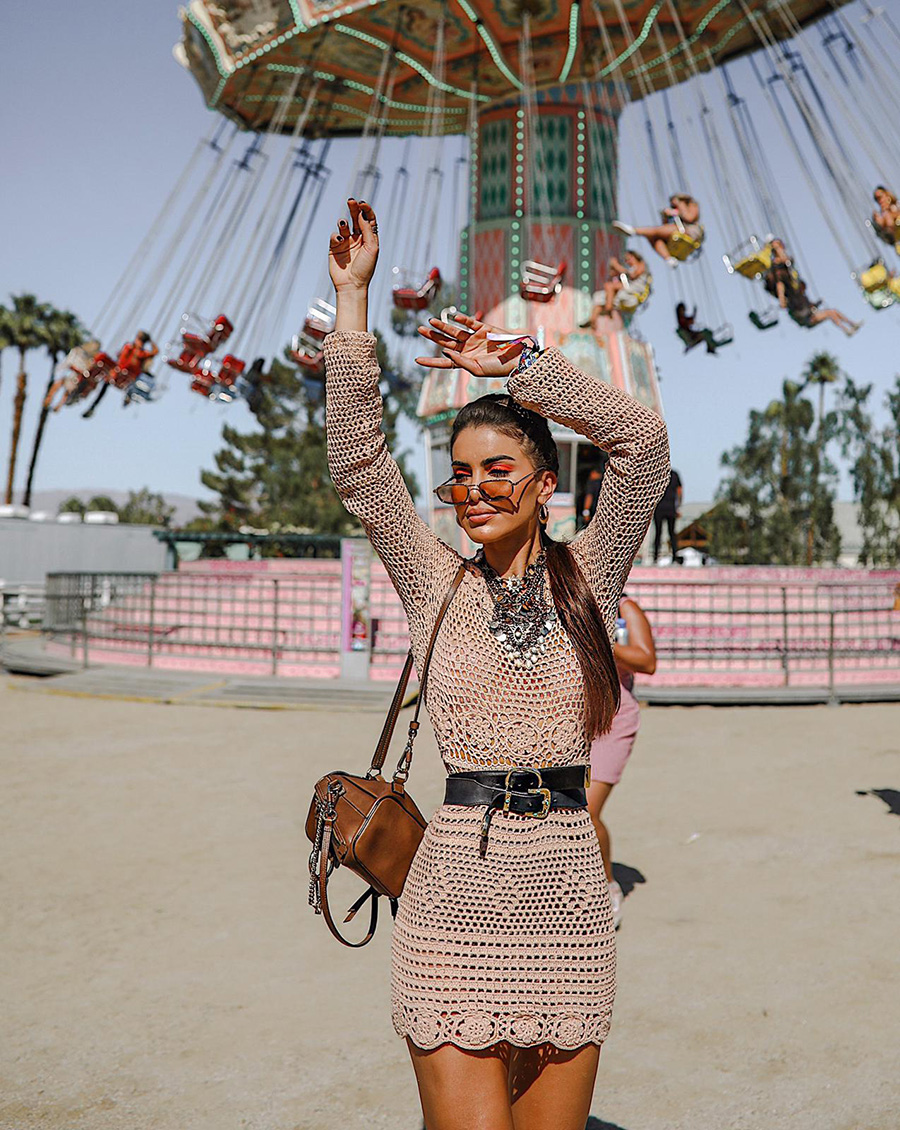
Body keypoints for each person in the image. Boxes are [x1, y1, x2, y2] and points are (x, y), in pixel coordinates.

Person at [324, 198, 669, 1130]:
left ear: (546, 483)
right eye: (459, 474)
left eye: (497, 469)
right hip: (454, 894)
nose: (473, 491)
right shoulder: (433, 579)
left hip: (564, 890)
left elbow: (642, 449)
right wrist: (353, 302)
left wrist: (522, 367)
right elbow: (360, 464)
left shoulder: (591, 574)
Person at [587, 593, 656, 929]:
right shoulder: (567, 596)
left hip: (614, 718)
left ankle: (608, 885)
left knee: (587, 811)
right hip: (568, 714)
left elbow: (646, 660)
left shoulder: (625, 608)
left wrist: (597, 641)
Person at [764, 241, 861, 337]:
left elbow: (787, 261)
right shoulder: (777, 269)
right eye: (778, 247)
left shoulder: (788, 266)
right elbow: (779, 283)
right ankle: (847, 329)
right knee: (830, 313)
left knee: (832, 312)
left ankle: (851, 325)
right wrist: (781, 298)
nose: (781, 249)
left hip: (805, 310)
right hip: (803, 315)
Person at [613, 193, 702, 267]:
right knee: (653, 237)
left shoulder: (691, 205)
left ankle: (633, 231)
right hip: (676, 233)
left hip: (690, 232)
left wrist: (678, 207)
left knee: (655, 231)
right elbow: (664, 228)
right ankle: (669, 259)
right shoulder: (677, 214)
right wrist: (665, 216)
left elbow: (689, 218)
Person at [44, 340, 101, 411]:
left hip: (77, 380)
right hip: (74, 378)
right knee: (61, 383)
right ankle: (50, 399)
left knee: (64, 386)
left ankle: (55, 402)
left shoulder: (91, 361)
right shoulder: (78, 353)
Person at [595, 249, 651, 316]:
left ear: (634, 256)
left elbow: (633, 275)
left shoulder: (641, 264)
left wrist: (617, 266)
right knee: (598, 296)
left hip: (634, 292)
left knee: (609, 286)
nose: (627, 262)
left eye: (628, 258)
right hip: (627, 289)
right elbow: (622, 278)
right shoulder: (630, 269)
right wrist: (614, 270)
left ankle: (608, 309)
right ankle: (592, 319)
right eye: (626, 260)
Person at [653, 468, 682, 563]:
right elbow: (679, 492)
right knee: (671, 533)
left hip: (660, 507)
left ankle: (655, 556)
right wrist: (678, 506)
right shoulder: (674, 474)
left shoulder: (657, 474)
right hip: (670, 508)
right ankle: (674, 556)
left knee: (658, 533)